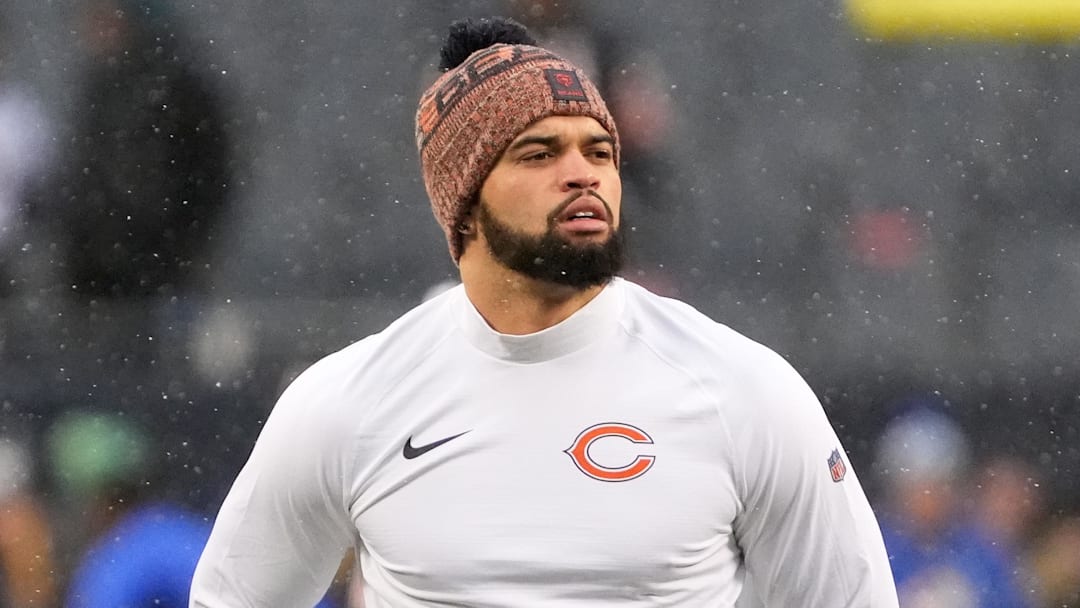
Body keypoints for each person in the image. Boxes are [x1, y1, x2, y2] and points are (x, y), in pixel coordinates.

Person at [191, 17, 898, 607]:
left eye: (600, 150)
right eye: (539, 153)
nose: (583, 173)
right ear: (465, 200)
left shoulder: (745, 392)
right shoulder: (346, 405)